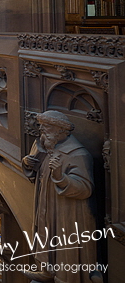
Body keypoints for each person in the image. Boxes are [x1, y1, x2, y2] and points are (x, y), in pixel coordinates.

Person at [21, 110, 97, 283]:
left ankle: (64, 277)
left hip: (67, 210)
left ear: (60, 130)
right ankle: (46, 270)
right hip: (46, 200)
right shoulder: (44, 145)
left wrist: (61, 178)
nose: (42, 130)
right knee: (44, 232)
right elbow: (34, 172)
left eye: (46, 127)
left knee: (62, 241)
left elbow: (86, 188)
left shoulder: (78, 154)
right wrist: (27, 163)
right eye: (41, 126)